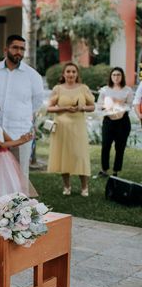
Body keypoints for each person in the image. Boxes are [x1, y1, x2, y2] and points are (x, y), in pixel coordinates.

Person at [0, 35, 44, 181]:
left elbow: (36, 103)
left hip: (20, 133)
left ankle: (19, 204)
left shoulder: (32, 76)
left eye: (22, 49)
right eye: (15, 47)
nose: (19, 52)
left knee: (19, 175)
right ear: (6, 49)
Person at [47, 62, 95, 196]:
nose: (71, 74)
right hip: (62, 126)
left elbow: (92, 106)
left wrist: (82, 108)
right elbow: (49, 107)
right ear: (64, 74)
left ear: (77, 74)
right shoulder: (58, 89)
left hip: (78, 126)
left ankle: (84, 187)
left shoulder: (83, 88)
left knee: (80, 155)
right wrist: (64, 108)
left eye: (74, 71)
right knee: (64, 155)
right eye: (68, 71)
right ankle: (67, 186)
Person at [96, 67, 133, 178]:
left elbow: (129, 105)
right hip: (108, 121)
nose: (116, 77)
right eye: (114, 75)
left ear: (122, 77)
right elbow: (99, 106)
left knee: (120, 147)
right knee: (106, 145)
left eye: (118, 75)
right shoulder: (104, 90)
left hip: (123, 122)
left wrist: (118, 103)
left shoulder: (128, 90)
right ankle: (104, 170)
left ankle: (116, 171)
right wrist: (110, 104)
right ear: (110, 77)